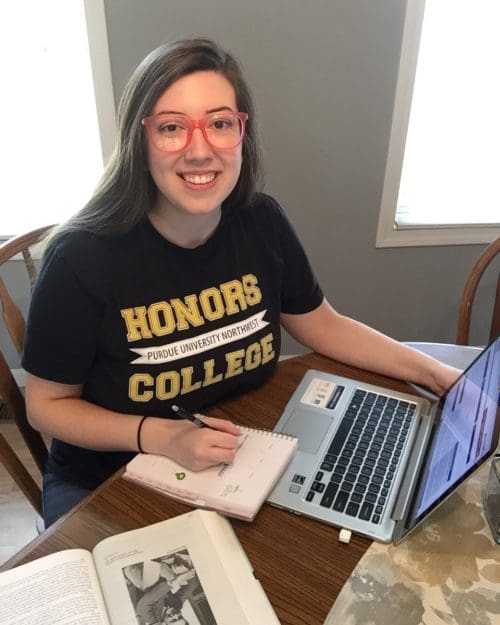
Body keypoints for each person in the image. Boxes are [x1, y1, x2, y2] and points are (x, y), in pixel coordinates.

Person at [22, 38, 460, 528]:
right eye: (171, 128)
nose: (199, 149)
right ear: (139, 141)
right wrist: (162, 436)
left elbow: (323, 325)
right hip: (107, 478)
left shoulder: (261, 222)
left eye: (219, 123)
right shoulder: (81, 257)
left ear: (241, 135)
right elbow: (46, 406)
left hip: (237, 456)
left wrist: (435, 373)